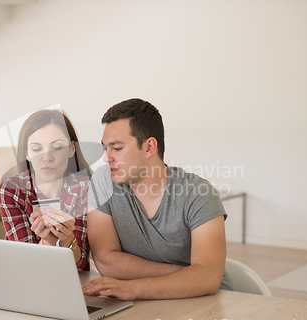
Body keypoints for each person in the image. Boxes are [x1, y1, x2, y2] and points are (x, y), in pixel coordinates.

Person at [84, 98, 232, 300]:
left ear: (149, 147)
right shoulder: (103, 181)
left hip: (205, 304)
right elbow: (106, 262)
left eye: (117, 148)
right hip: (147, 306)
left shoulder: (199, 193)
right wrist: (187, 275)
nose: (107, 158)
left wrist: (133, 288)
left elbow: (208, 278)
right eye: (105, 148)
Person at [0, 109, 91, 271]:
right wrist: (47, 241)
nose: (47, 157)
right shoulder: (11, 190)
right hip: (27, 281)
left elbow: (81, 265)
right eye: (36, 149)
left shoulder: (86, 187)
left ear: (71, 149)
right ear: (26, 153)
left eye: (56, 147)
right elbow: (25, 265)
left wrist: (68, 239)